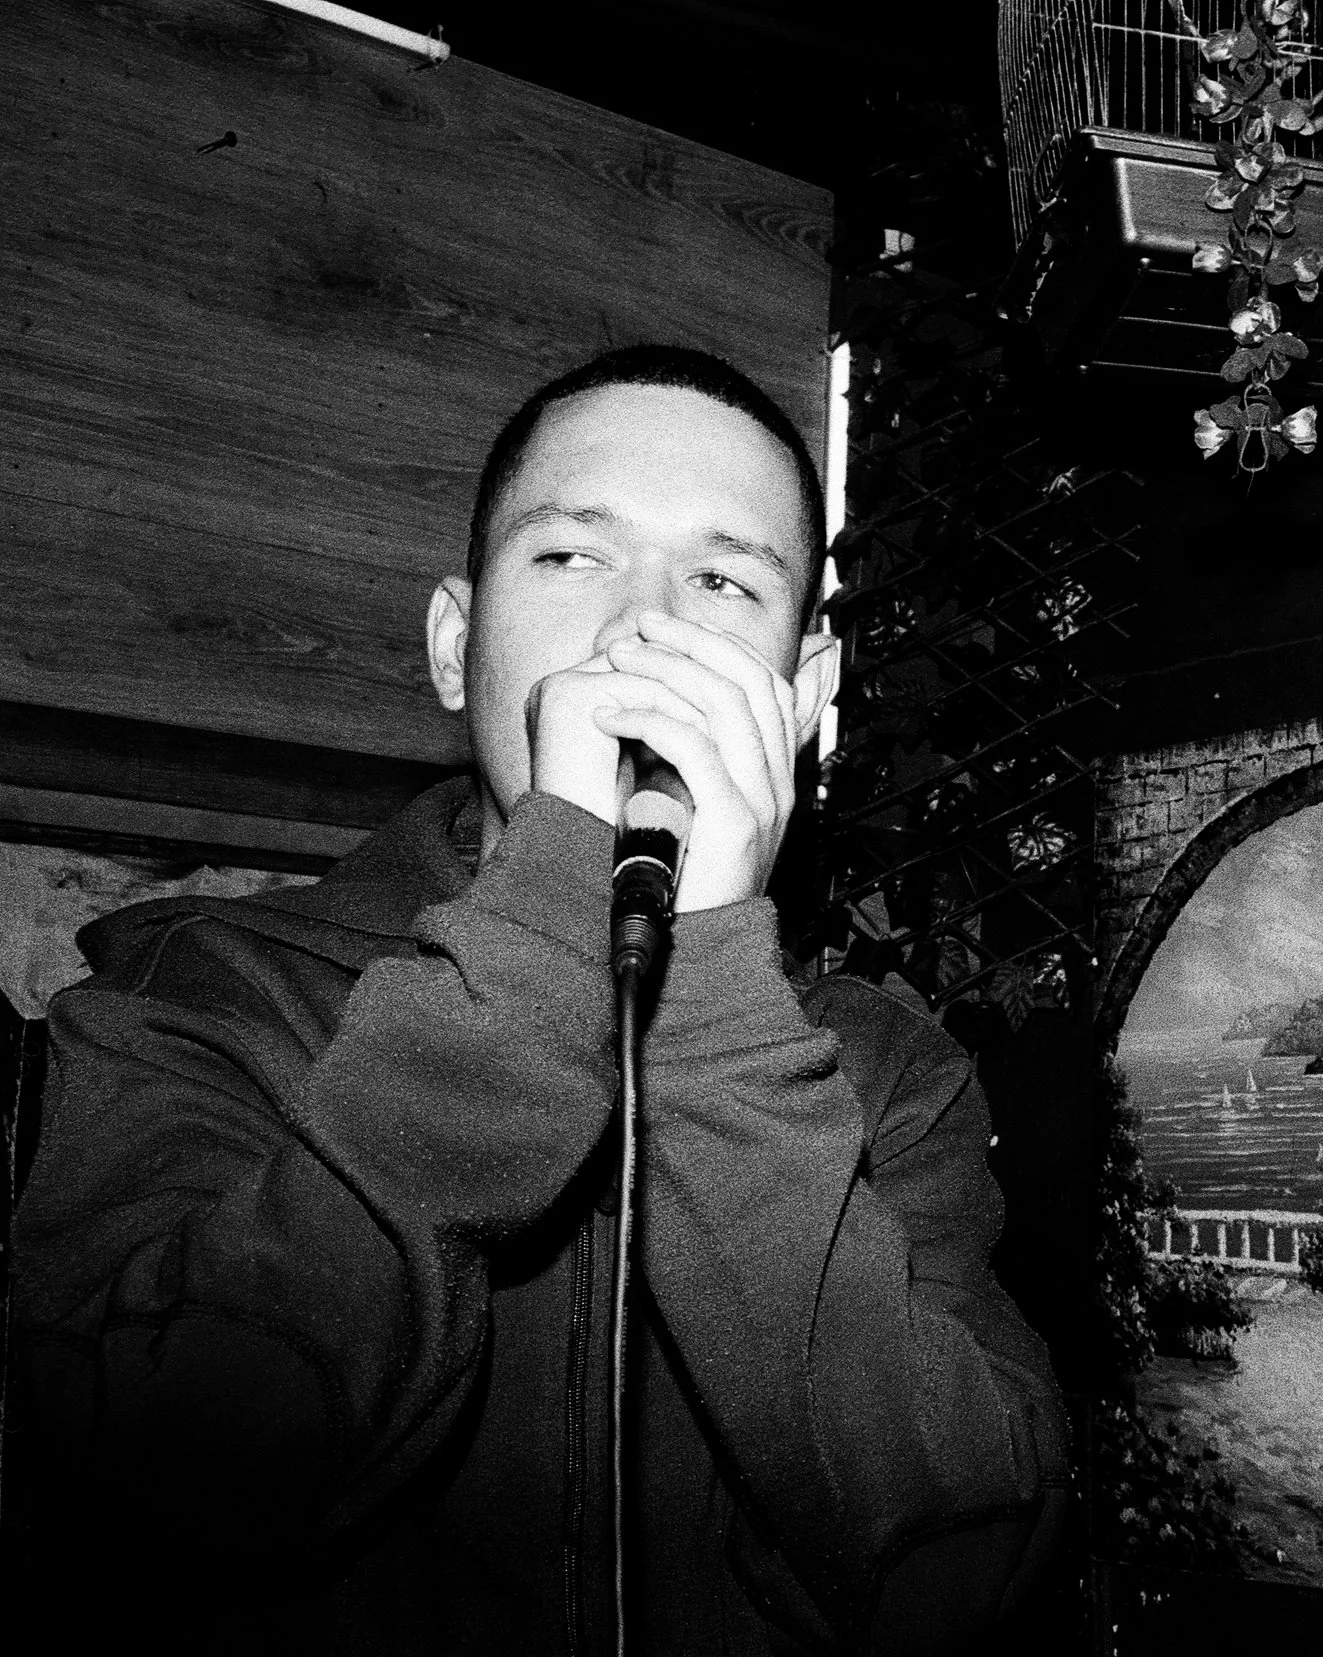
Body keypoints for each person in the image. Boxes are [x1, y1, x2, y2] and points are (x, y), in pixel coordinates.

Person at [4, 347, 1069, 1652]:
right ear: (459, 646)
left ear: (799, 702)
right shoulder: (204, 997)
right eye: (572, 558)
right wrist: (541, 934)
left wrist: (719, 1033)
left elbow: (962, 1572)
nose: (645, 631)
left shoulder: (888, 1074)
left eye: (726, 581)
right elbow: (157, 1480)